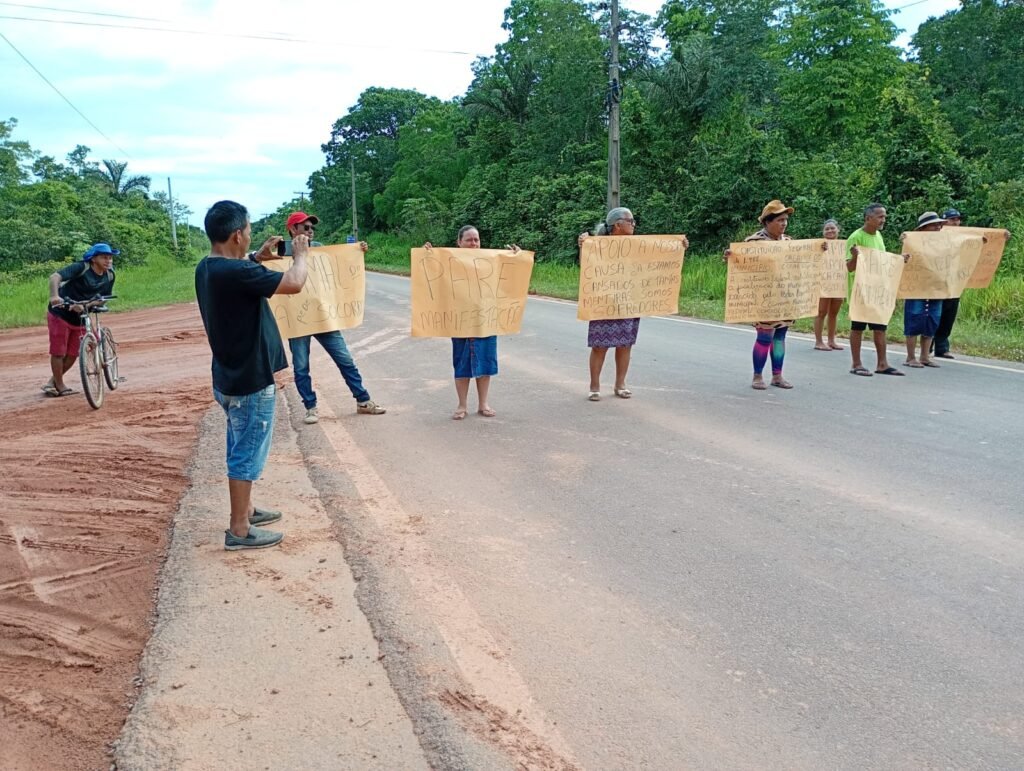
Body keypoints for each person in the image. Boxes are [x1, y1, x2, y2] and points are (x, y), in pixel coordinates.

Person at [195, 200, 309, 551]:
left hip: (228, 376)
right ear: (236, 235)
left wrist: (257, 258)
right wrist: (301, 255)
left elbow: (239, 270)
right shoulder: (236, 273)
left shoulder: (208, 267)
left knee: (238, 444)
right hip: (250, 380)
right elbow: (294, 283)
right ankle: (239, 529)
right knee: (246, 453)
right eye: (248, 230)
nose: (249, 235)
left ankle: (246, 510)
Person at [280, 211, 385, 424]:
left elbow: (339, 266)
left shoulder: (319, 248)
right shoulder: (280, 253)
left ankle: (363, 400)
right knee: (301, 367)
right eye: (305, 227)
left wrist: (357, 251)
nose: (310, 231)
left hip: (322, 316)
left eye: (312, 228)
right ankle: (310, 407)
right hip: (297, 320)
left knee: (344, 359)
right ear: (292, 229)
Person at [579, 207, 689, 400]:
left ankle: (620, 384)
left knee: (625, 344)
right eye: (630, 221)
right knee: (599, 346)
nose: (634, 224)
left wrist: (679, 247)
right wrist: (583, 246)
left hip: (629, 301)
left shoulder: (639, 246)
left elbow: (659, 259)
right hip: (604, 303)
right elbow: (586, 267)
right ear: (617, 225)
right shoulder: (598, 244)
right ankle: (594, 386)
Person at [423, 225, 518, 420]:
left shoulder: (490, 261)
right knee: (461, 362)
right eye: (469, 240)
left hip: (486, 321)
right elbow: (432, 277)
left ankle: (483, 404)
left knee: (486, 362)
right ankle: (462, 405)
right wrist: (427, 255)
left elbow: (510, 278)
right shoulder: (448, 262)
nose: (473, 243)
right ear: (459, 242)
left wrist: (516, 257)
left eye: (476, 239)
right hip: (460, 322)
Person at [723, 200, 818, 390]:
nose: (784, 224)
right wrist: (730, 257)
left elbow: (802, 262)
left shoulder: (788, 243)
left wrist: (818, 250)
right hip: (764, 298)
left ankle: (777, 375)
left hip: (784, 298)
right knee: (765, 337)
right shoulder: (754, 243)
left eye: (786, 220)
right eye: (780, 220)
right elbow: (741, 264)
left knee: (780, 336)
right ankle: (757, 375)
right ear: (767, 222)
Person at [43, 243, 118, 397]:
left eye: (110, 258)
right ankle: (60, 386)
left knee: (73, 353)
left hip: (81, 315)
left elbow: (104, 298)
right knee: (58, 352)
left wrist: (87, 305)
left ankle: (53, 382)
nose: (108, 261)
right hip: (60, 313)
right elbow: (55, 277)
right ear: (94, 259)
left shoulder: (109, 275)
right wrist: (54, 296)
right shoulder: (81, 268)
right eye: (104, 257)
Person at [846, 203, 906, 377]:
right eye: (880, 217)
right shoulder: (856, 237)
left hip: (877, 290)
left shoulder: (878, 236)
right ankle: (856, 363)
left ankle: (882, 364)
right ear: (868, 218)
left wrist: (899, 260)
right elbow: (849, 267)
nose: (883, 220)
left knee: (880, 327)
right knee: (858, 327)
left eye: (884, 216)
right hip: (860, 291)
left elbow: (881, 262)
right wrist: (855, 256)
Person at [902, 212, 946, 369]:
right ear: (923, 228)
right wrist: (905, 242)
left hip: (936, 287)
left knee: (932, 320)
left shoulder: (944, 243)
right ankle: (910, 357)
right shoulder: (912, 243)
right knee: (914, 318)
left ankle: (925, 356)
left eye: (939, 225)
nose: (938, 227)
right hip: (917, 287)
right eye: (934, 225)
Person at [813, 219, 845, 351]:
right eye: (827, 229)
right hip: (823, 283)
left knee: (833, 313)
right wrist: (819, 250)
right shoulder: (819, 245)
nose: (830, 231)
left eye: (832, 228)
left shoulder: (844, 246)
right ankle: (819, 341)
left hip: (838, 282)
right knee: (821, 312)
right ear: (823, 232)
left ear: (838, 230)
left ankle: (831, 341)